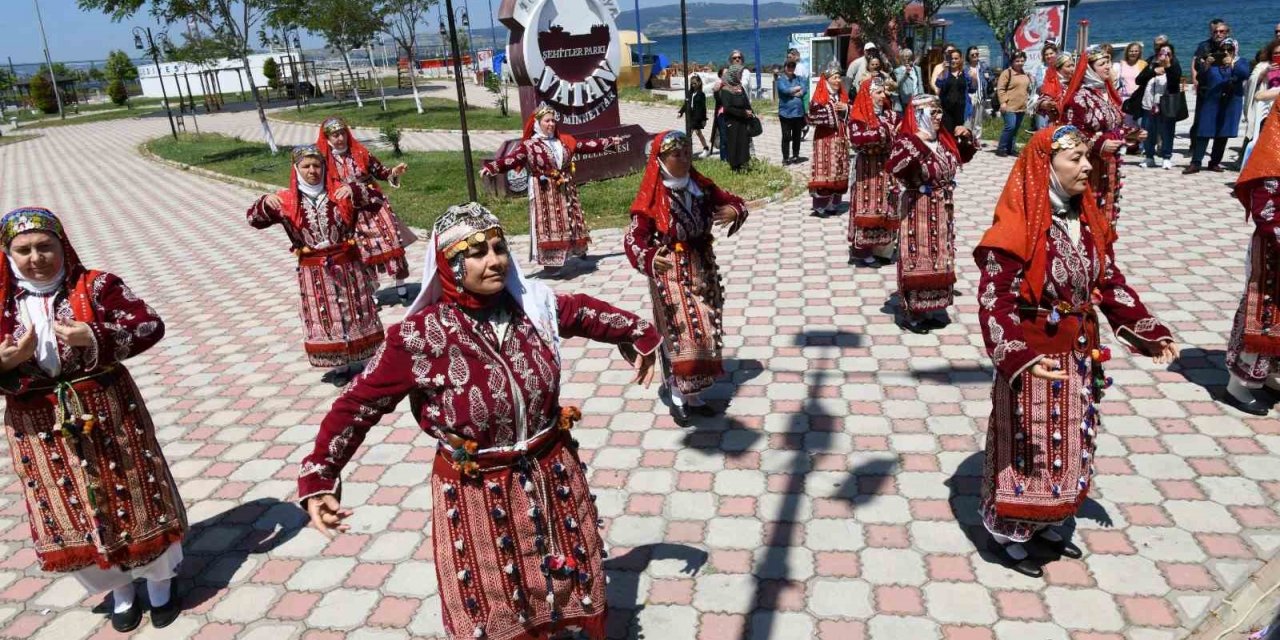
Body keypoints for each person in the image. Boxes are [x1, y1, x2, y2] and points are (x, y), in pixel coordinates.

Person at [298, 203, 661, 640]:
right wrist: (320, 475)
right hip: (478, 491)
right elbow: (357, 404)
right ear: (451, 264)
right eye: (477, 252)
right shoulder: (418, 337)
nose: (494, 260)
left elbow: (582, 312)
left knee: (562, 579)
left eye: (498, 247)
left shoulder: (533, 307)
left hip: (551, 474)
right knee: (500, 602)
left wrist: (637, 332)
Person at [973, 125, 1178, 576]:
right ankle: (1006, 532)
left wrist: (1148, 330)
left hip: (1079, 356)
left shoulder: (1085, 221)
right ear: (1047, 167)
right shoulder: (1017, 227)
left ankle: (1047, 520)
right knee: (1027, 445)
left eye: (1088, 157)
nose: (1088, 166)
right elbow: (994, 299)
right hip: (1034, 360)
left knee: (1068, 442)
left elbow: (1108, 282)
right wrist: (1018, 357)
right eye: (1076, 159)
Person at [0, 207, 187, 631]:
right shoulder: (1, 301)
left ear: (62, 244)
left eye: (45, 246)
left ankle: (160, 584)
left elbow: (149, 325)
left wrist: (96, 335)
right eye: (23, 249)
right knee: (72, 509)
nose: (36, 257)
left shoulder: (97, 285)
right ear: (8, 253)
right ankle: (119, 591)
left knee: (134, 490)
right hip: (36, 422)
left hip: (107, 408)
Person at [624, 130, 748, 425]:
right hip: (671, 273)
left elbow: (733, 200)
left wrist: (733, 210)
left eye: (686, 152)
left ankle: (695, 395)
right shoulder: (654, 195)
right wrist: (652, 257)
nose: (684, 158)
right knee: (680, 334)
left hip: (702, 266)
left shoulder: (699, 186)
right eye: (676, 154)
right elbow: (633, 239)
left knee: (704, 328)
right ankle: (678, 396)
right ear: (661, 160)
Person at [248, 145, 384, 379]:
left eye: (317, 165)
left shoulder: (339, 191)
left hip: (348, 263)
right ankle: (339, 366)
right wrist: (264, 202)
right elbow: (253, 219)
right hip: (314, 270)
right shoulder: (287, 200)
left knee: (358, 308)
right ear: (296, 169)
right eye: (306, 166)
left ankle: (368, 359)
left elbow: (376, 201)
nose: (312, 170)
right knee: (325, 313)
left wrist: (354, 189)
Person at [480, 106, 623, 273]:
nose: (551, 124)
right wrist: (491, 168)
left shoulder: (563, 141)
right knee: (549, 224)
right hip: (544, 190)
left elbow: (585, 146)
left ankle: (575, 250)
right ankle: (550, 263)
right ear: (537, 123)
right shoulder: (529, 145)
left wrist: (610, 142)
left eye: (553, 120)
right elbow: (512, 160)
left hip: (565, 186)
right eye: (547, 121)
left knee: (569, 219)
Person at [888, 95, 976, 332]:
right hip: (919, 208)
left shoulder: (942, 140)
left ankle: (933, 308)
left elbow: (962, 156)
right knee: (919, 256)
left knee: (941, 255)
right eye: (932, 113)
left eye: (939, 112)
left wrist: (966, 138)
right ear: (918, 116)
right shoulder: (908, 141)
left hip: (943, 207)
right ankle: (914, 312)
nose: (938, 117)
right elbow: (895, 167)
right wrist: (919, 144)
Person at [316, 117, 414, 301]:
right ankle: (371, 290)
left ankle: (401, 286)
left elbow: (380, 171)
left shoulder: (360, 152)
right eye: (335, 135)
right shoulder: (324, 160)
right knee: (361, 250)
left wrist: (393, 172)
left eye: (342, 133)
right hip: (350, 212)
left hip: (373, 205)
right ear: (327, 137)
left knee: (392, 241)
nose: (340, 138)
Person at [1224, 107, 1280, 415]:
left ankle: (1267, 374)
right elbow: (1266, 213)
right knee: (1262, 313)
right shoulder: (1271, 156)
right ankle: (1237, 385)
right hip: (1272, 252)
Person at [1059, 45, 1144, 224]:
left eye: (1108, 63)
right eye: (1102, 64)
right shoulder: (1080, 98)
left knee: (1106, 210)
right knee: (1087, 211)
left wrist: (1131, 134)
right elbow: (1072, 132)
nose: (1108, 67)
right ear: (1089, 69)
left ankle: (1102, 245)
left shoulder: (1105, 94)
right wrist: (1098, 144)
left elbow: (1113, 127)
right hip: (1088, 166)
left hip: (1109, 165)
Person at [847, 77, 900, 266]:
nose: (882, 96)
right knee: (867, 207)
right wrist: (885, 133)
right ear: (868, 96)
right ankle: (863, 252)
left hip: (885, 168)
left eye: (883, 92)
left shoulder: (889, 114)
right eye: (878, 92)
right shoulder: (859, 115)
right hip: (867, 171)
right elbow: (857, 139)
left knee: (887, 205)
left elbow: (900, 133)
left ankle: (883, 250)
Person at [1186, 38, 1250, 173]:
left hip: (1230, 103)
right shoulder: (1214, 62)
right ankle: (1195, 162)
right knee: (1204, 131)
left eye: (1230, 49)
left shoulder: (1241, 62)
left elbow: (1244, 74)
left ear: (1235, 50)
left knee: (1223, 133)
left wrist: (1232, 64)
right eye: (1223, 50)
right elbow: (1201, 78)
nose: (1226, 52)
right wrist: (1206, 66)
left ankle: (1214, 162)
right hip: (1211, 102)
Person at [806, 68, 851, 216]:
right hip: (825, 138)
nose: (838, 80)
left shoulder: (842, 96)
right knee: (824, 170)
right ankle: (820, 206)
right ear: (827, 80)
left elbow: (853, 114)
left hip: (840, 137)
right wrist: (831, 109)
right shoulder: (820, 96)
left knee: (838, 169)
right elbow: (812, 117)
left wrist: (846, 109)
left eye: (839, 77)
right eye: (834, 78)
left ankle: (833, 203)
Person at [1135, 43, 1182, 170]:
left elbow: (1174, 83)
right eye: (1161, 53)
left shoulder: (1174, 67)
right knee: (1148, 132)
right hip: (1149, 105)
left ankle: (1166, 157)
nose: (1164, 56)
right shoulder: (1151, 65)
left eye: (1167, 54)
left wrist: (1167, 67)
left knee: (1167, 132)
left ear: (1172, 55)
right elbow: (1138, 80)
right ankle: (1149, 157)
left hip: (1166, 106)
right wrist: (1153, 71)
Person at [1241, 39, 1280, 168]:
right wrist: (1265, 72)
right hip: (1267, 110)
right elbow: (1251, 84)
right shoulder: (1263, 65)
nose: (1278, 56)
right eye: (1276, 53)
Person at [716, 64, 755, 172]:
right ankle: (735, 167)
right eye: (739, 74)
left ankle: (744, 165)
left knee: (743, 143)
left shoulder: (740, 87)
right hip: (732, 121)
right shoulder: (725, 89)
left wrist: (750, 112)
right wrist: (743, 113)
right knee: (734, 143)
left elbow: (746, 101)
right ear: (733, 74)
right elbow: (728, 108)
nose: (741, 76)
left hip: (743, 120)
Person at [996, 51, 1032, 157]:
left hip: (1021, 106)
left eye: (1022, 60)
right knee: (1010, 127)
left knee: (1015, 129)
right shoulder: (1007, 73)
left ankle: (1011, 148)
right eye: (1017, 61)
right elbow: (1000, 89)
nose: (1020, 63)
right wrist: (1003, 102)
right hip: (1009, 106)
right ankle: (1001, 148)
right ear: (1012, 62)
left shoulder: (1024, 73)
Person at [935, 48, 976, 134]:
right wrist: (944, 70)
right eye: (951, 58)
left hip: (962, 110)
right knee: (948, 135)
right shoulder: (945, 72)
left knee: (962, 135)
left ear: (960, 59)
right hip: (947, 110)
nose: (953, 61)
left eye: (956, 58)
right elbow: (938, 84)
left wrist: (974, 78)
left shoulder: (965, 74)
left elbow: (972, 90)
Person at [776, 60, 808, 165]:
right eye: (789, 66)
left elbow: (805, 88)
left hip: (798, 113)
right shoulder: (781, 80)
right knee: (786, 137)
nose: (791, 68)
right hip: (785, 113)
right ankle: (785, 158)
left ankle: (795, 155)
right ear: (785, 67)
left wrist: (799, 91)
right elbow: (784, 90)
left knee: (797, 136)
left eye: (793, 66)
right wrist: (796, 89)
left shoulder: (798, 78)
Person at [1035, 52, 1074, 129]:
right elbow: (1042, 101)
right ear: (1059, 68)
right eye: (1068, 66)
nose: (1072, 69)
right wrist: (1046, 104)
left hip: (1075, 125)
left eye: (1073, 65)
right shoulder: (1052, 84)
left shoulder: (1076, 84)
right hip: (1057, 126)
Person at [1029, 43, 1061, 132]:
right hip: (1044, 102)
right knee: (1042, 129)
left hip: (1059, 102)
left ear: (1056, 53)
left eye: (1051, 53)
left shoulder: (1061, 67)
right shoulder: (1041, 68)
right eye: (1046, 54)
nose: (1049, 56)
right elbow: (1039, 85)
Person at [678, 74, 711, 158]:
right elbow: (686, 103)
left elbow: (703, 108)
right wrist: (681, 112)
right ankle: (705, 148)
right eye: (692, 83)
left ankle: (685, 150)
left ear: (699, 83)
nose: (693, 85)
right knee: (697, 133)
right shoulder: (690, 93)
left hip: (697, 117)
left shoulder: (701, 94)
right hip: (690, 116)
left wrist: (704, 119)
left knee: (690, 133)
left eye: (695, 83)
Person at [965, 46, 991, 142]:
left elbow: (990, 77)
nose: (975, 56)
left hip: (981, 95)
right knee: (968, 119)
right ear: (968, 56)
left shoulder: (983, 66)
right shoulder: (966, 68)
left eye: (977, 54)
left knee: (978, 121)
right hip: (970, 96)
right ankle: (967, 139)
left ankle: (977, 140)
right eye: (973, 55)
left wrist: (989, 78)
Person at [894, 48, 924, 112]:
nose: (907, 59)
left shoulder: (917, 69)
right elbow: (898, 83)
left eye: (909, 56)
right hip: (906, 101)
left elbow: (920, 83)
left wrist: (922, 97)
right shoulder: (897, 71)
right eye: (905, 57)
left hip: (918, 99)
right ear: (902, 58)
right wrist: (906, 73)